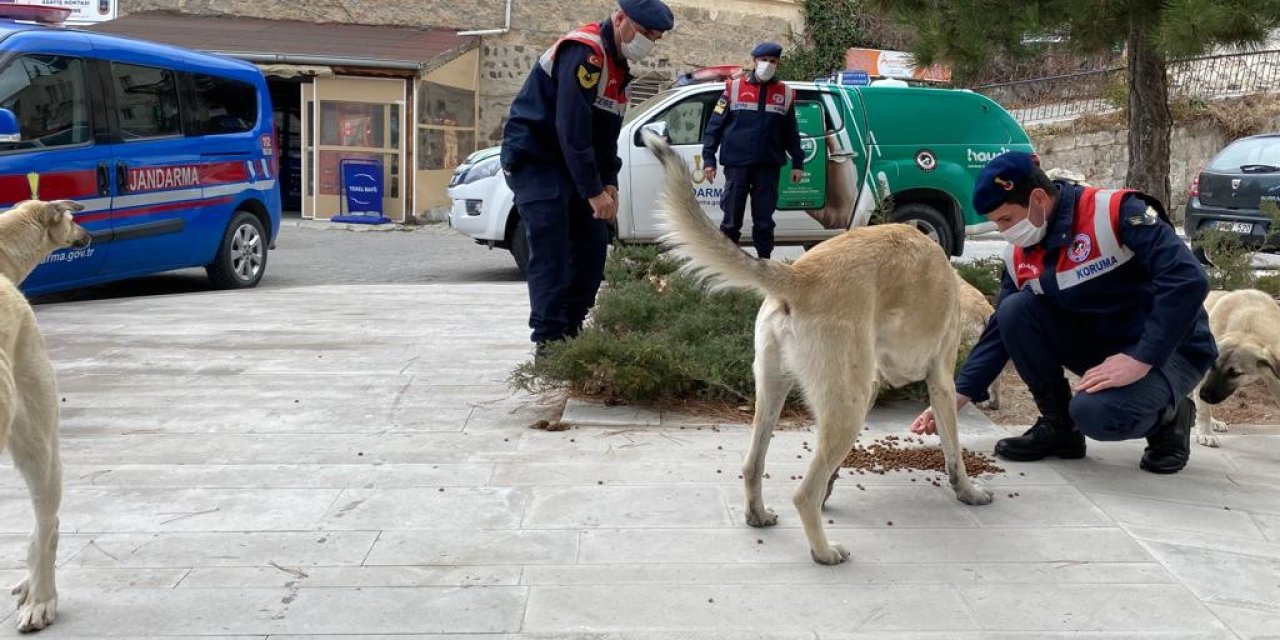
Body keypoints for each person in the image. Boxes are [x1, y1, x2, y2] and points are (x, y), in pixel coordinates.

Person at [910, 152, 1217, 474]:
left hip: (1171, 347)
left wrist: (1141, 358)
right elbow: (1001, 329)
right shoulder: (1020, 255)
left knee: (1096, 415)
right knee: (1014, 309)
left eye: (1006, 219)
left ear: (1038, 200)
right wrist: (956, 396)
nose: (1003, 232)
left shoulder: (1115, 213)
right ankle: (1060, 429)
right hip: (1103, 344)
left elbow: (1188, 281)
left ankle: (1172, 416)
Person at [500, 0, 674, 355]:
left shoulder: (619, 68)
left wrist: (609, 180)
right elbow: (572, 127)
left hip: (573, 163)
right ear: (621, 18)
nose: (648, 43)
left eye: (654, 38)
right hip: (538, 159)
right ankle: (549, 346)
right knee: (553, 252)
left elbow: (605, 133)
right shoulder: (586, 52)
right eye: (644, 33)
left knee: (593, 249)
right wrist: (593, 191)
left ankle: (572, 334)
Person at [700, 42, 805, 260]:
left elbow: (791, 132)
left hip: (767, 166)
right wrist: (709, 159)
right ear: (754, 61)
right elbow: (714, 126)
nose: (768, 64)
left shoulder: (785, 93)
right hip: (737, 165)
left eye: (773, 61)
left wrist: (798, 162)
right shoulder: (734, 88)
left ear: (778, 63)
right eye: (763, 60)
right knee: (731, 220)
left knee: (764, 221)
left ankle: (764, 263)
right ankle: (726, 264)